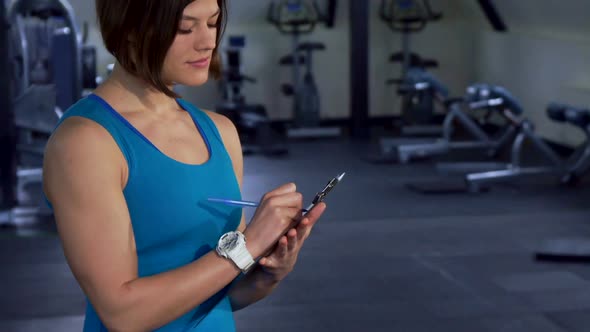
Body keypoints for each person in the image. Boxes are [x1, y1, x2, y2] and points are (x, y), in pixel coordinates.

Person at [42, 0, 327, 331]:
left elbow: (223, 294)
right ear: (131, 31)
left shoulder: (220, 132)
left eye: (213, 22)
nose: (207, 41)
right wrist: (246, 246)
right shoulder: (86, 142)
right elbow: (122, 313)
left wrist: (269, 269)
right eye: (185, 28)